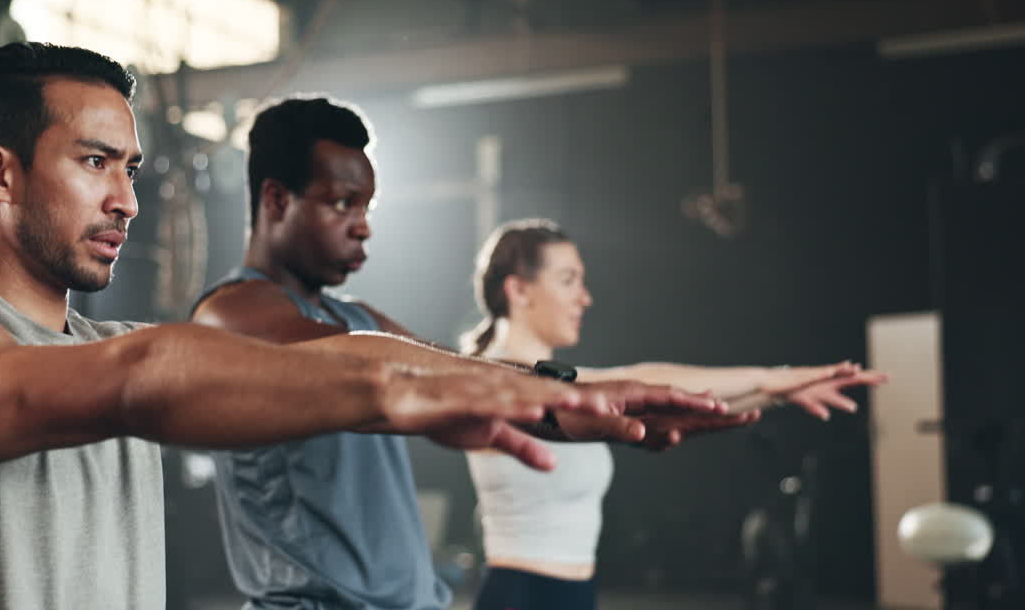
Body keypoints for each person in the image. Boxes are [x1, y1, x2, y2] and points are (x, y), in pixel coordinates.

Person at [0, 44, 637, 610]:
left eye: (131, 169)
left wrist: (551, 390)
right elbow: (144, 376)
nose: (126, 199)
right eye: (95, 162)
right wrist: (385, 385)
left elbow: (171, 370)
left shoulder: (99, 346)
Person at [189, 96, 855, 609]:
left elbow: (466, 374)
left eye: (367, 205)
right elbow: (374, 364)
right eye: (342, 204)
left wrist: (588, 400)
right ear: (276, 198)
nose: (364, 225)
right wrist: (565, 393)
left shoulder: (358, 315)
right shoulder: (236, 312)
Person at [461, 218, 888, 610]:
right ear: (518, 290)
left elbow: (661, 405)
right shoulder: (495, 375)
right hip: (521, 595)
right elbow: (634, 381)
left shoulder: (565, 384)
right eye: (568, 280)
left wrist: (776, 392)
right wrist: (771, 377)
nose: (584, 298)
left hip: (573, 592)